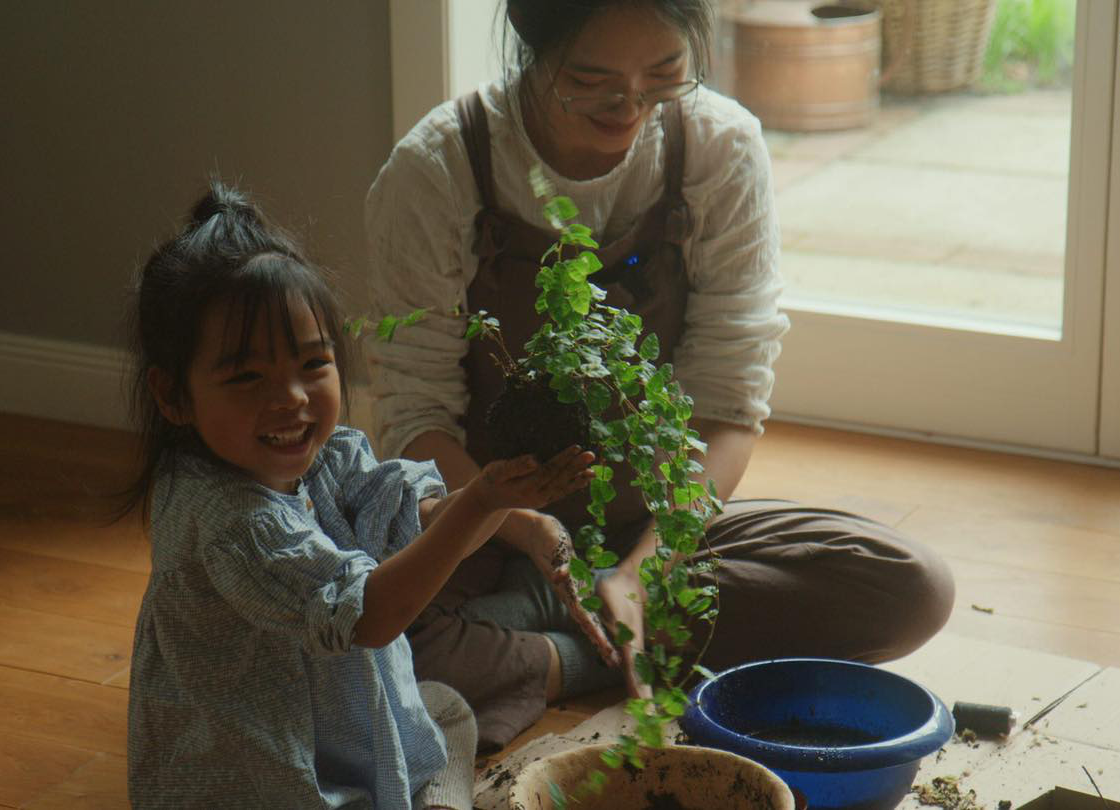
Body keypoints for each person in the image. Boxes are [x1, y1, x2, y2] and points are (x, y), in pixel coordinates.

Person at [364, 0, 957, 752]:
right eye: (593, 79)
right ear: (531, 44)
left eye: (664, 75)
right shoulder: (439, 167)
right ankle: (599, 649)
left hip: (661, 526)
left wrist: (643, 570)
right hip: (484, 525)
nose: (631, 105)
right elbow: (415, 420)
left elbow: (728, 405)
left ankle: (574, 637)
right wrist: (526, 529)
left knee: (907, 587)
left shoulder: (719, 148)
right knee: (357, 628)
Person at [121, 181, 597, 808]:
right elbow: (372, 617)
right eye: (246, 377)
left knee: (443, 709)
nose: (290, 397)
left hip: (330, 716)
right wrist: (482, 501)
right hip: (260, 777)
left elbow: (422, 518)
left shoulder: (320, 458)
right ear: (173, 396)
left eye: (312, 365)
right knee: (436, 720)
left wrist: (503, 499)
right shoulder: (231, 520)